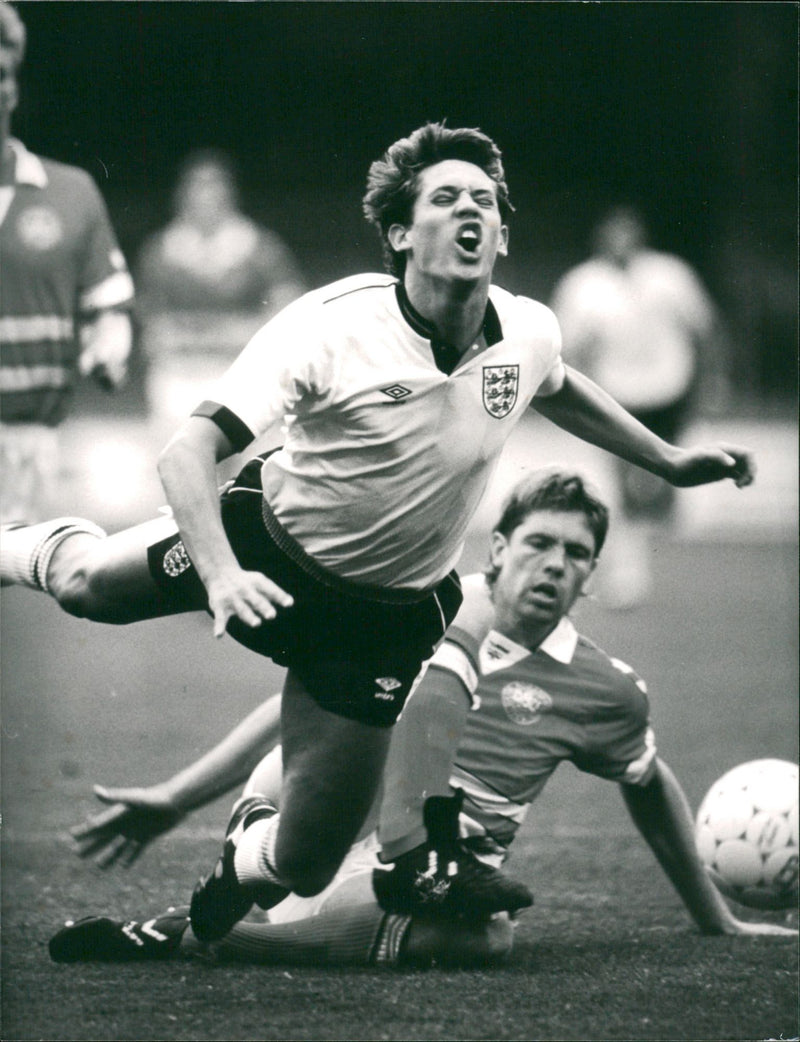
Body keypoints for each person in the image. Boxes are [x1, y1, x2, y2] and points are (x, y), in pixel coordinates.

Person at [0, 122, 757, 943]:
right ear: (401, 233)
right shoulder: (331, 325)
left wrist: (670, 459)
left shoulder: (528, 331)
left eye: (485, 200)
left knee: (304, 863)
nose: (470, 209)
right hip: (264, 547)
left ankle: (236, 864)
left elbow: (560, 386)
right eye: (445, 197)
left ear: (502, 234)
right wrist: (220, 576)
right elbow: (188, 453)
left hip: (378, 620)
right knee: (86, 590)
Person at [50, 470, 797, 968]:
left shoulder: (606, 688)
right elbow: (299, 716)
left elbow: (646, 778)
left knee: (487, 938)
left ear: (591, 578)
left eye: (575, 553)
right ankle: (249, 861)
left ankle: (196, 935)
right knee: (333, 741)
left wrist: (716, 918)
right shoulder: (419, 614)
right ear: (499, 549)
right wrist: (177, 798)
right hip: (326, 816)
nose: (554, 564)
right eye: (538, 542)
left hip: (425, 880)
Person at [550, 205, 732, 608]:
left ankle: (652, 553)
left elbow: (705, 329)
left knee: (665, 484)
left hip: (668, 390)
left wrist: (713, 380)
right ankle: (629, 569)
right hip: (616, 395)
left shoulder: (669, 276)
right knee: (623, 480)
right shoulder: (583, 286)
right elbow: (565, 348)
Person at [0, 3, 134, 523]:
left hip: (33, 442)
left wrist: (107, 349)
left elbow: (108, 309)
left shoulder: (70, 192)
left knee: (22, 586)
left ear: (12, 86)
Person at [135, 149, 305, 432]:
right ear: (183, 198)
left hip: (241, 374)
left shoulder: (260, 249)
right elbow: (149, 317)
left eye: (214, 191)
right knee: (179, 458)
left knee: (245, 469)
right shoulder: (162, 251)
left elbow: (289, 308)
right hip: (180, 374)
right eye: (198, 191)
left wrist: (246, 333)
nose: (206, 200)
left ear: (230, 197)